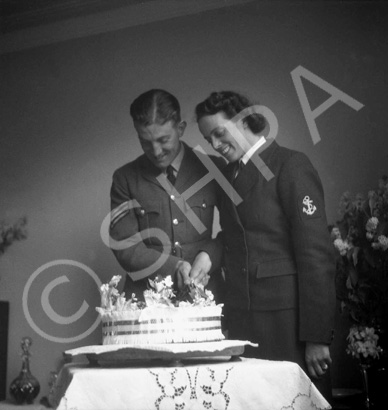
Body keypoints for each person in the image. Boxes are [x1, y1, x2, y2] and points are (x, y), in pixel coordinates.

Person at [195, 91, 336, 399]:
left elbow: (316, 254)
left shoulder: (290, 165)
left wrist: (317, 336)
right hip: (244, 318)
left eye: (219, 134)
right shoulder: (230, 175)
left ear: (246, 119)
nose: (216, 145)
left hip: (287, 321)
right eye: (209, 140)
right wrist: (209, 253)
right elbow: (236, 236)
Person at [109, 89, 225, 300]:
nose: (156, 151)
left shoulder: (213, 168)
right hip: (145, 301)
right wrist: (173, 266)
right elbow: (124, 244)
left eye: (163, 140)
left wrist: (209, 256)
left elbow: (236, 232)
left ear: (180, 128)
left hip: (203, 296)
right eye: (145, 141)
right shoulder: (124, 179)